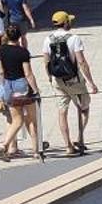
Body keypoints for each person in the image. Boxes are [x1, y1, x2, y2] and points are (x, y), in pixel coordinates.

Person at [40, 11, 97, 156]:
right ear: (65, 23)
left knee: (62, 112)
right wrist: (91, 83)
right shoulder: (74, 38)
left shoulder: (48, 39)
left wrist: (49, 77)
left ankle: (68, 146)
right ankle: (79, 138)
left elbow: (46, 62)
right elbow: (82, 62)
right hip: (74, 80)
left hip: (58, 80)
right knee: (84, 108)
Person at [0, 22, 43, 160]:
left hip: (8, 85)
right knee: (31, 119)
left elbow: (1, 72)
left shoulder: (1, 50)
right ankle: (36, 150)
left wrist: (3, 86)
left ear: (7, 35)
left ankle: (4, 145)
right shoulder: (23, 52)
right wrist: (36, 90)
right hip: (22, 84)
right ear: (19, 36)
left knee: (17, 119)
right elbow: (28, 73)